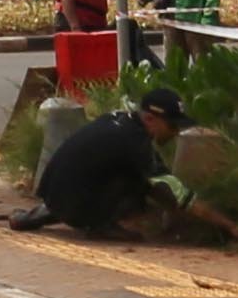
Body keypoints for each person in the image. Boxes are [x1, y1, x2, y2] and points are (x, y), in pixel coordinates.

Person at [16, 88, 186, 239]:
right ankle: (101, 226)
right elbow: (168, 187)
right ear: (149, 118)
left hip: (55, 197)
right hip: (74, 204)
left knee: (105, 171)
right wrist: (194, 215)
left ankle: (39, 215)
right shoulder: (136, 141)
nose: (176, 133)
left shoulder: (120, 120)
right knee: (137, 180)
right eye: (172, 126)